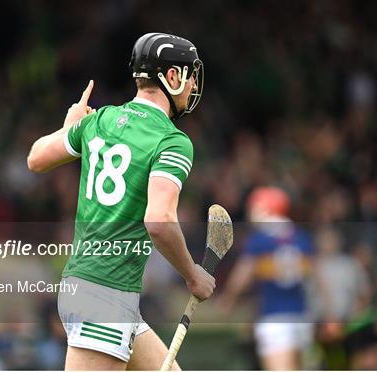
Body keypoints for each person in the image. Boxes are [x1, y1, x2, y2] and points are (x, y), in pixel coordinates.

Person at [27, 32, 215, 370]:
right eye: (189, 76)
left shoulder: (100, 120)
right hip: (105, 293)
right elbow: (158, 221)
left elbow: (36, 158)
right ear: (172, 76)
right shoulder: (171, 141)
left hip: (97, 290)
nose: (192, 87)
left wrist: (69, 125)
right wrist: (192, 275)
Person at [217, 187, 314, 370]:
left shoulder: (260, 239)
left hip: (274, 317)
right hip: (301, 314)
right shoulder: (301, 237)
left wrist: (228, 298)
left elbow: (242, 274)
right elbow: (317, 276)